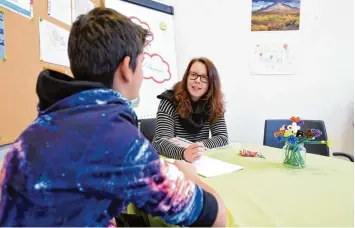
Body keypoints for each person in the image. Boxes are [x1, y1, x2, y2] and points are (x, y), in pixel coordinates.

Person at [0, 8, 228, 227]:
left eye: (204, 78)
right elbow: (215, 217)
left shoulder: (37, 128)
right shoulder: (116, 139)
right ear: (127, 67)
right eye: (143, 62)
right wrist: (190, 176)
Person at [152, 58, 228, 162]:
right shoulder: (169, 100)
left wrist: (193, 147)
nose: (197, 80)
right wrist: (184, 153)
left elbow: (222, 138)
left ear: (211, 83)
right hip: (171, 163)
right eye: (193, 75)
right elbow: (160, 142)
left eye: (204, 77)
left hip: (200, 162)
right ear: (186, 77)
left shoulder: (214, 103)